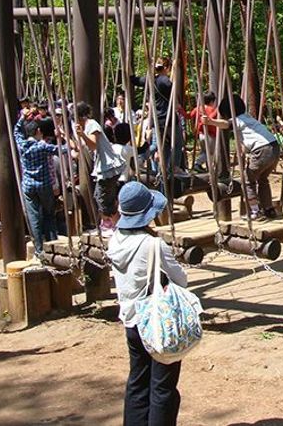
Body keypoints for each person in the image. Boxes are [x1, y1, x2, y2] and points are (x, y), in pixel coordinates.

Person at [107, 182, 187, 426]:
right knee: (163, 387)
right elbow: (181, 279)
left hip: (131, 319)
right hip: (157, 320)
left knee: (137, 381)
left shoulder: (115, 240)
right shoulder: (153, 245)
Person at [202, 94, 280, 220]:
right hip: (274, 148)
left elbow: (225, 124)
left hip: (262, 150)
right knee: (262, 179)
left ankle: (255, 211)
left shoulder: (237, 120)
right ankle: (268, 209)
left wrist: (210, 122)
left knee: (247, 181)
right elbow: (247, 139)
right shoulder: (248, 118)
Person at [14, 109, 67, 260]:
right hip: (44, 185)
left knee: (34, 217)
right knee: (49, 215)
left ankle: (38, 249)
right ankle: (52, 246)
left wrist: (22, 118)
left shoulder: (22, 145)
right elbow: (62, 150)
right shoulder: (42, 146)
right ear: (38, 131)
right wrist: (62, 137)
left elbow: (16, 131)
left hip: (28, 186)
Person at [74, 101, 127, 235]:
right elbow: (81, 147)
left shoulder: (92, 124)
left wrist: (82, 135)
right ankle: (111, 224)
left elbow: (93, 145)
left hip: (108, 166)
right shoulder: (86, 127)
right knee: (102, 196)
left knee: (102, 197)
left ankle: (113, 225)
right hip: (104, 166)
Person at [189, 91, 218, 174]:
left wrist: (180, 109)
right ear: (212, 101)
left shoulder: (198, 108)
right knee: (210, 153)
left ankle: (200, 166)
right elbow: (210, 120)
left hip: (201, 134)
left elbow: (189, 116)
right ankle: (197, 164)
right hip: (210, 135)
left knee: (204, 151)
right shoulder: (213, 110)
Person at [112, 122, 136, 187]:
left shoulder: (111, 147)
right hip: (122, 180)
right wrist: (147, 139)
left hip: (112, 180)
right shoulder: (128, 149)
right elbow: (142, 150)